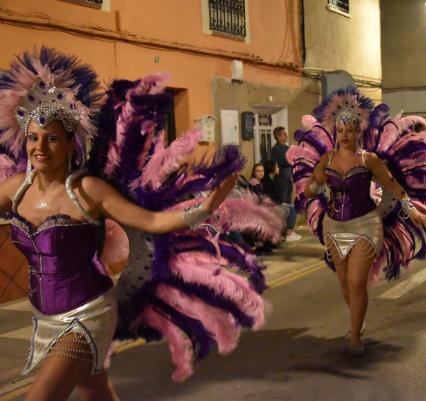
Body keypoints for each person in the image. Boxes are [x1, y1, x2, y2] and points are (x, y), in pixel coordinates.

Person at [0, 48, 277, 401]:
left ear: (71, 143)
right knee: (96, 392)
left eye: (52, 138)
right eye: (33, 137)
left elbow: (152, 221)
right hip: (44, 316)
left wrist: (205, 206)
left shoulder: (88, 190)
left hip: (86, 314)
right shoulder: (15, 189)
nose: (40, 147)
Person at [288, 88, 426, 355]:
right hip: (334, 227)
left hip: (365, 225)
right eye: (341, 129)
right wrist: (316, 185)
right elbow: (309, 191)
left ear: (357, 131)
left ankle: (355, 338)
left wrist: (411, 209)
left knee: (357, 283)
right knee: (345, 283)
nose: (345, 133)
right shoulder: (326, 159)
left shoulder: (368, 159)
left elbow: (393, 186)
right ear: (336, 130)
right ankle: (357, 323)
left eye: (350, 129)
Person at [262, 161, 302, 241]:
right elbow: (268, 196)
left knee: (293, 208)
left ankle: (289, 232)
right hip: (272, 204)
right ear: (272, 168)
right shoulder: (266, 181)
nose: (278, 168)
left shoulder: (275, 178)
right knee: (287, 209)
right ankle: (288, 233)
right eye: (276, 167)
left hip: (277, 202)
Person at [271, 127, 294, 204]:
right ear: (278, 136)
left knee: (288, 204)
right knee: (282, 205)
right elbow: (288, 160)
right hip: (281, 180)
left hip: (289, 179)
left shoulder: (287, 147)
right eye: (284, 134)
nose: (287, 135)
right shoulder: (276, 149)